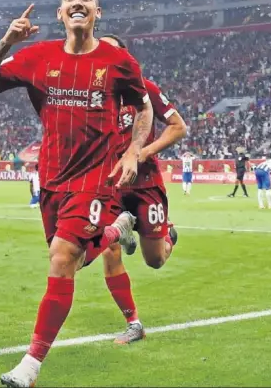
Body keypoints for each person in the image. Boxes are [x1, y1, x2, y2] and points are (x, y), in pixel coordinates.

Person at [0, 0, 154, 388]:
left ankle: (30, 366)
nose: (78, 2)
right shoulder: (38, 57)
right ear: (60, 12)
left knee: (61, 258)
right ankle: (115, 230)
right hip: (52, 179)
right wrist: (5, 42)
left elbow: (144, 108)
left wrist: (132, 151)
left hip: (94, 180)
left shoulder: (118, 62)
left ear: (97, 12)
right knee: (74, 258)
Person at [91, 34, 187, 344]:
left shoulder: (146, 90)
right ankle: (134, 323)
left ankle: (166, 235)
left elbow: (179, 127)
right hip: (111, 186)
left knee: (155, 261)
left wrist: (142, 153)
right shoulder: (93, 95)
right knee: (108, 249)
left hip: (146, 184)